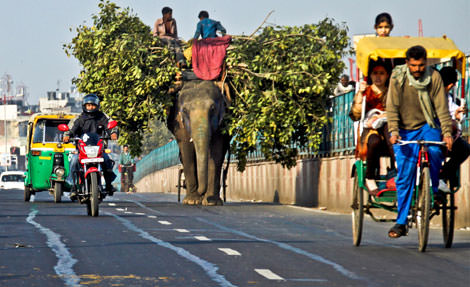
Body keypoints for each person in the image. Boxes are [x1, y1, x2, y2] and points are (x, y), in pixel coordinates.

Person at [386, 45, 453, 238]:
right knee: (405, 175)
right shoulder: (398, 77)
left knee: (434, 152)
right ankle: (401, 222)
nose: (417, 69)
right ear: (407, 63)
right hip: (405, 130)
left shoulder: (434, 77)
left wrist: (447, 133)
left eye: (421, 65)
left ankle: (433, 190)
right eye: (414, 65)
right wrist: (393, 131)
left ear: (426, 63)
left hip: (428, 124)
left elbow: (442, 109)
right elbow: (392, 106)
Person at [349, 61, 394, 195]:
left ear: (387, 75)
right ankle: (370, 177)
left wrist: (384, 116)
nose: (378, 77)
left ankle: (397, 168)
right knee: (374, 142)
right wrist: (360, 95)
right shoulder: (366, 92)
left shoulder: (392, 92)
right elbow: (356, 114)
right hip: (371, 130)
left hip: (390, 128)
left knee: (391, 132)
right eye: (375, 73)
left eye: (381, 73)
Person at [63, 93, 118, 197]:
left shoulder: (102, 117)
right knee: (74, 161)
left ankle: (109, 184)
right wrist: (67, 135)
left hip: (99, 149)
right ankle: (74, 187)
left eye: (92, 105)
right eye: (88, 105)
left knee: (107, 160)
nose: (90, 107)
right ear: (84, 106)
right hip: (82, 149)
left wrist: (113, 133)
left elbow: (111, 125)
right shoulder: (79, 119)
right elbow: (71, 129)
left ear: (97, 106)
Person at [438, 66, 470, 191]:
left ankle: (442, 176)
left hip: (446, 135)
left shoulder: (449, 97)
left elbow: (454, 113)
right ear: (451, 85)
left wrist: (457, 115)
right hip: (433, 134)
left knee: (464, 148)